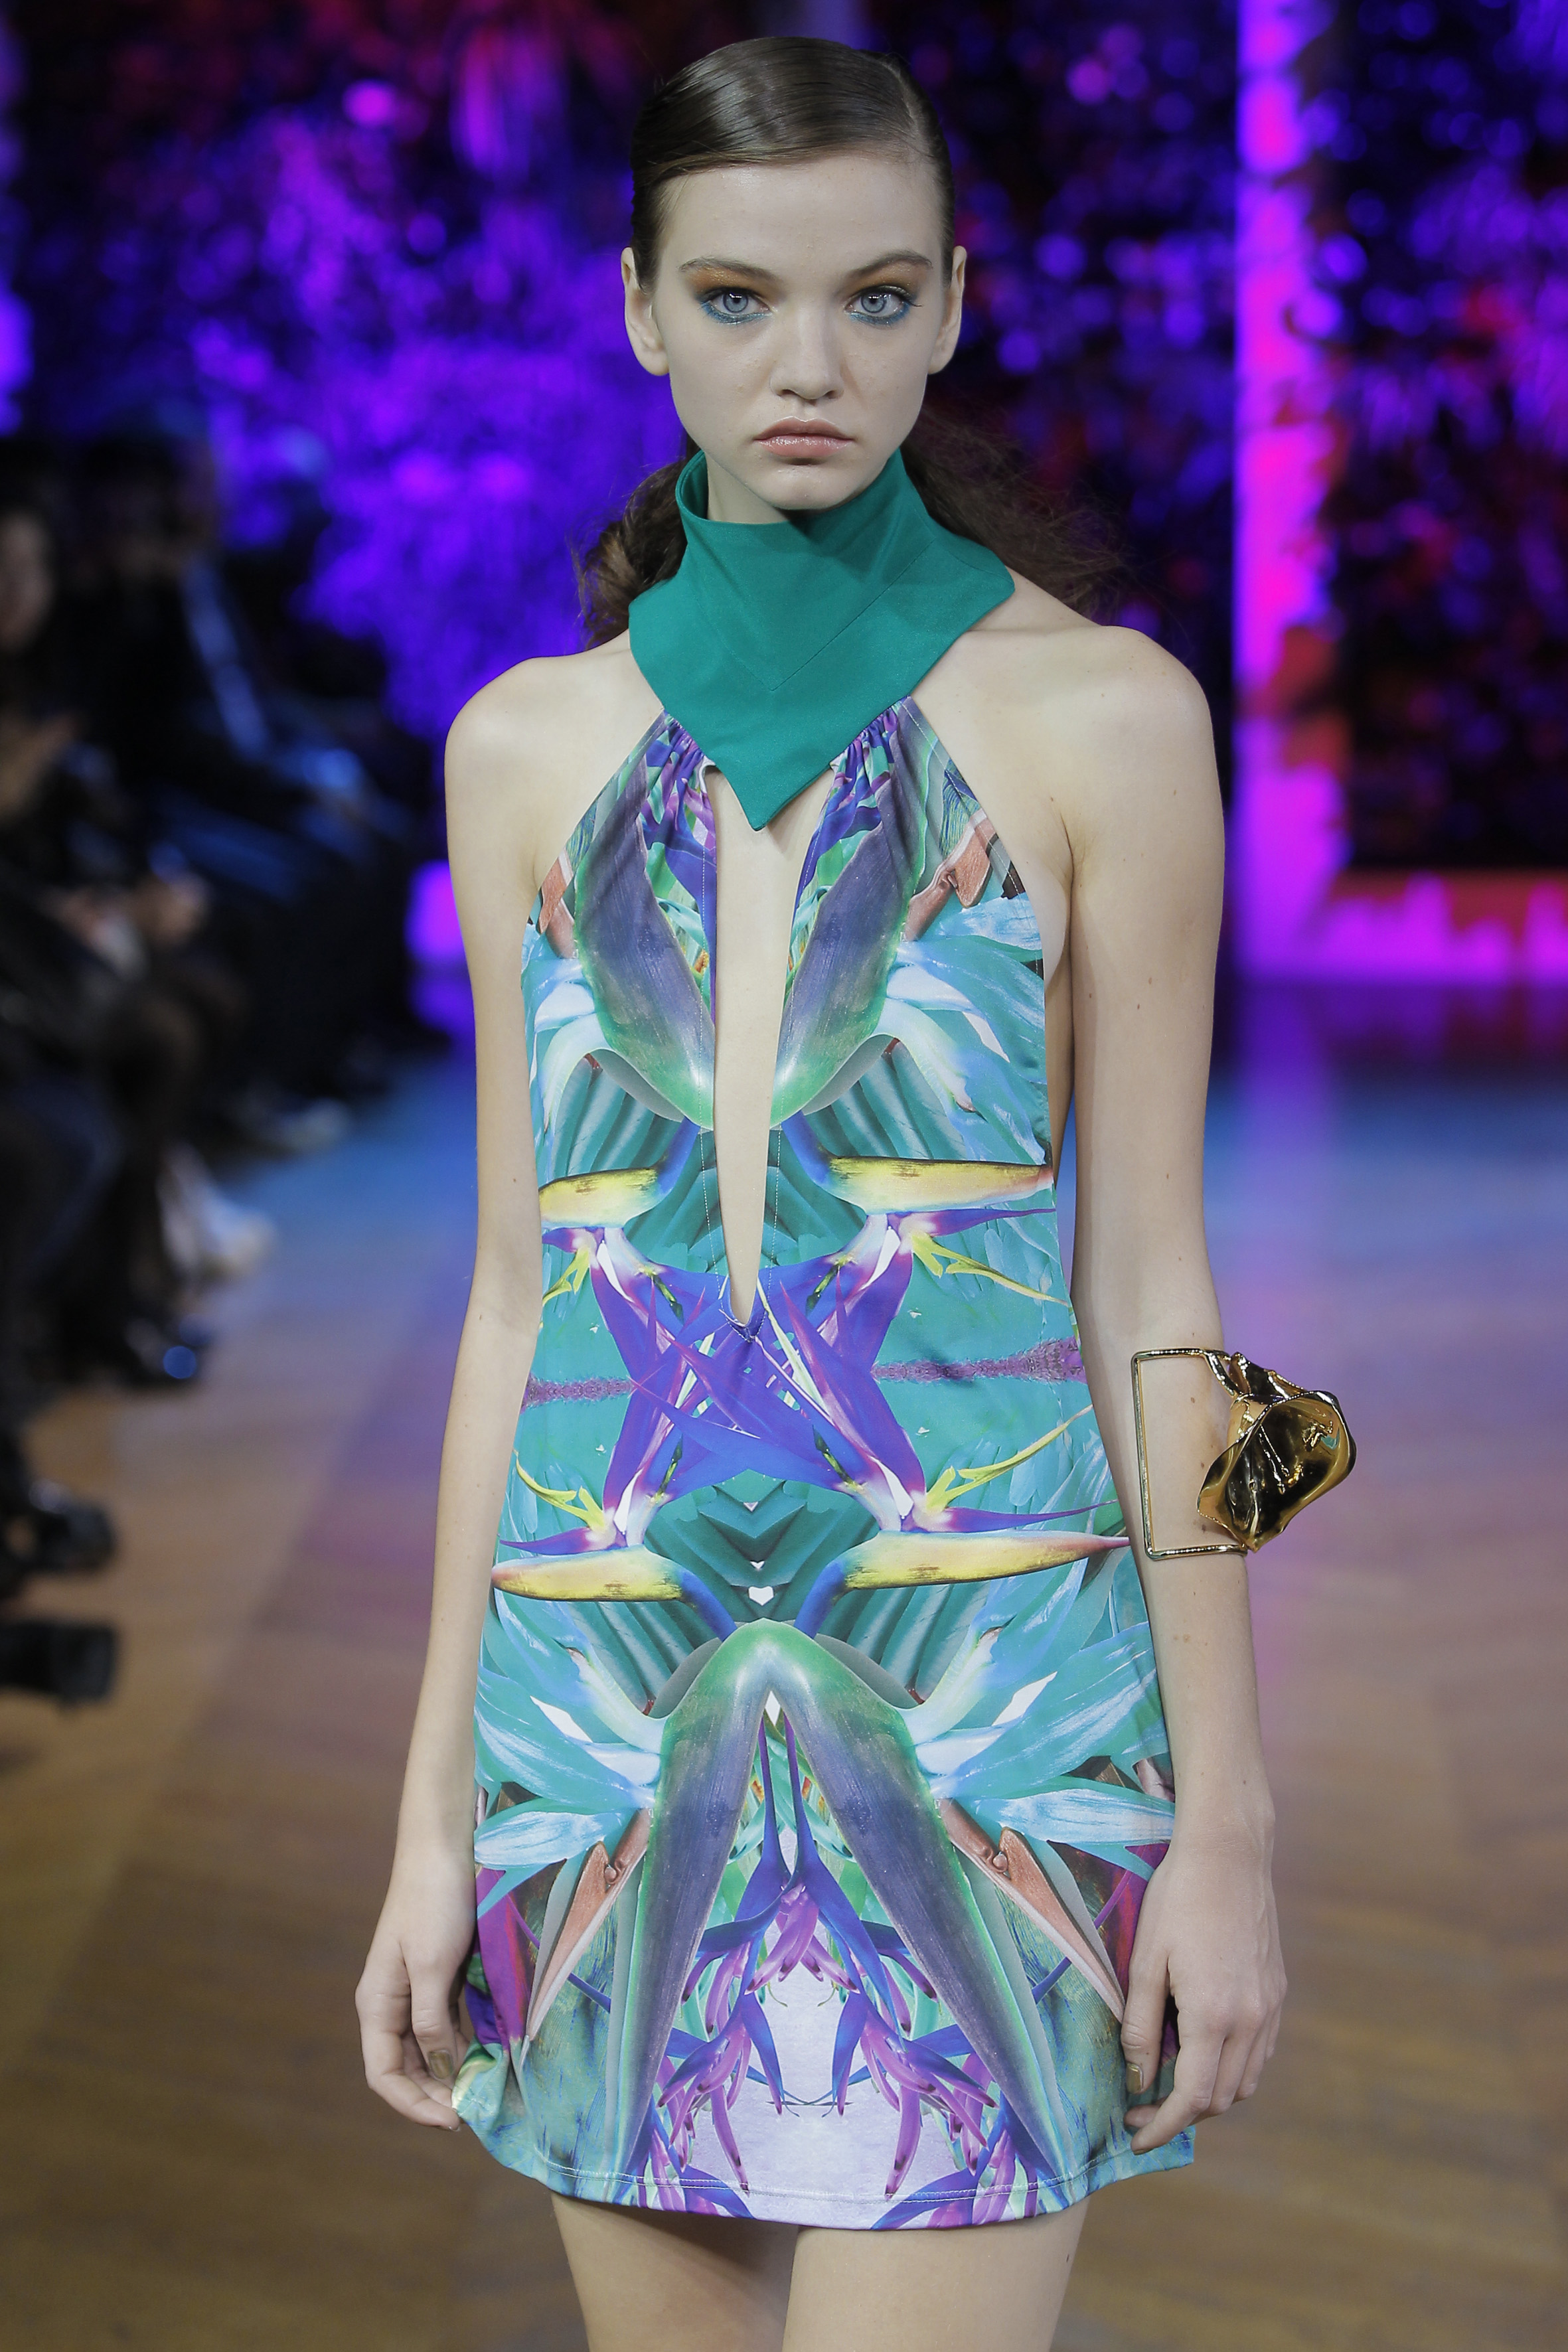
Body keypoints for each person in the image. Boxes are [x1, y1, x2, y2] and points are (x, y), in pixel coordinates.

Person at [358, 39, 1285, 2352]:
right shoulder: (520, 749)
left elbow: (1159, 1294)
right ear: (637, 310)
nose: (810, 364)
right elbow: (516, 1310)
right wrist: (432, 1816)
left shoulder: (1107, 719)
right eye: (739, 298)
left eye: (874, 298)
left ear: (952, 305)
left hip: (991, 1707)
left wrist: (1230, 1818)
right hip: (601, 1717)